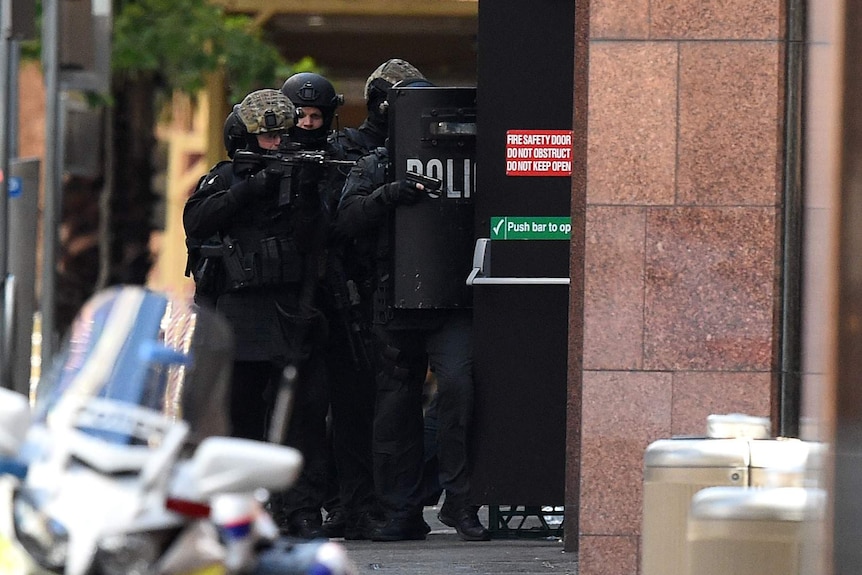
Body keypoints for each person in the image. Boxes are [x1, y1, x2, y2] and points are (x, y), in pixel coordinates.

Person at [334, 59, 490, 542]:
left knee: (460, 390)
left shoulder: (469, 154)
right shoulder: (373, 164)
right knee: (394, 411)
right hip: (393, 299)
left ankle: (459, 503)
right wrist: (387, 195)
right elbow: (344, 222)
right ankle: (399, 508)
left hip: (450, 299)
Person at [182, 88, 331, 539]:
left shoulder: (303, 173)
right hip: (236, 314)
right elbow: (196, 223)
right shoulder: (225, 178)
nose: (275, 145)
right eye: (265, 138)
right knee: (239, 414)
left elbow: (318, 237)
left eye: (280, 136)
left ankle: (301, 507)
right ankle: (240, 505)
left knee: (298, 417)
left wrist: (301, 191)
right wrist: (250, 188)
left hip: (287, 310)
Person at [278, 71, 380, 540]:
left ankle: (352, 503)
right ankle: (302, 505)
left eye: (317, 116)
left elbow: (348, 221)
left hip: (343, 293)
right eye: (301, 115)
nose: (308, 123)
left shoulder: (346, 157)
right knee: (303, 409)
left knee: (353, 405)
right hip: (292, 298)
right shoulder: (269, 160)